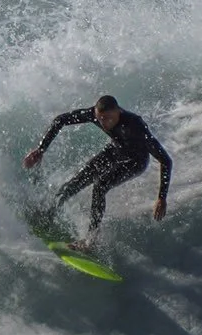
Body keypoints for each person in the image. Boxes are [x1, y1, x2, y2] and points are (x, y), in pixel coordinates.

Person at [25, 94, 171, 246]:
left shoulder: (135, 126)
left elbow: (166, 160)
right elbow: (60, 120)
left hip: (136, 161)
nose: (103, 123)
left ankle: (90, 239)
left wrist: (162, 197)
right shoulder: (95, 115)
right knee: (75, 182)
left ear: (118, 112)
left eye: (107, 119)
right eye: (100, 119)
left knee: (100, 185)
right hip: (115, 151)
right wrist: (41, 149)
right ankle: (49, 214)